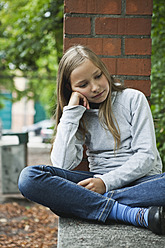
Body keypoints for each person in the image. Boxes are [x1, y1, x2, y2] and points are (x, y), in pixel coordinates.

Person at [18, 45, 165, 235]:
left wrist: (105, 183)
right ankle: (129, 213)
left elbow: (146, 157)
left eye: (97, 76)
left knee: (67, 198)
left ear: (104, 71)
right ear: (70, 89)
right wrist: (71, 113)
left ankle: (82, 203)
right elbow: (63, 164)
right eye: (83, 85)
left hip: (142, 183)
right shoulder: (78, 113)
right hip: (95, 182)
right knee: (28, 178)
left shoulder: (132, 99)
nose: (95, 87)